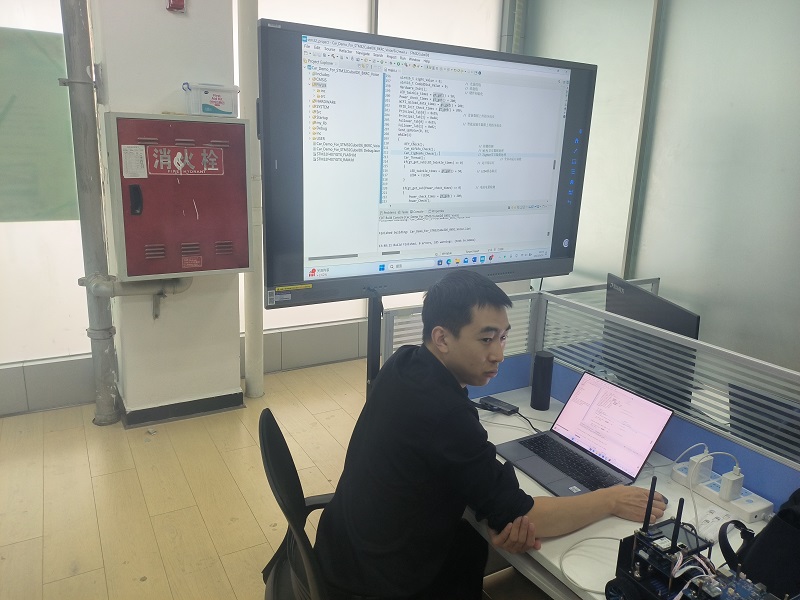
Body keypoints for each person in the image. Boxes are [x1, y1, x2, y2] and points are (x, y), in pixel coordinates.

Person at [314, 270, 666, 600]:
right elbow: (527, 517)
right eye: (486, 339)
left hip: (342, 552)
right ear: (442, 338)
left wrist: (503, 512)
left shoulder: (405, 362)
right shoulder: (445, 414)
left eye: (502, 337)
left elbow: (499, 502)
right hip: (378, 585)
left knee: (475, 539)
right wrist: (610, 499)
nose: (499, 354)